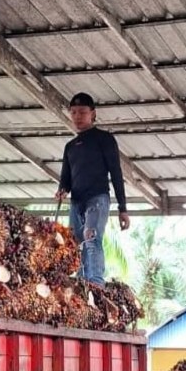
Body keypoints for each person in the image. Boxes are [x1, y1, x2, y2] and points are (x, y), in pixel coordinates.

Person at [55, 92, 131, 285]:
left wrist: (123, 208)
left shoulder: (104, 139)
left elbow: (116, 172)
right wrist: (62, 190)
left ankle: (96, 283)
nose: (77, 117)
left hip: (97, 199)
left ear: (93, 114)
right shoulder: (70, 146)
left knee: (91, 238)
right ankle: (80, 285)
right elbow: (66, 179)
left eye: (82, 112)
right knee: (74, 243)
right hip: (76, 201)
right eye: (73, 113)